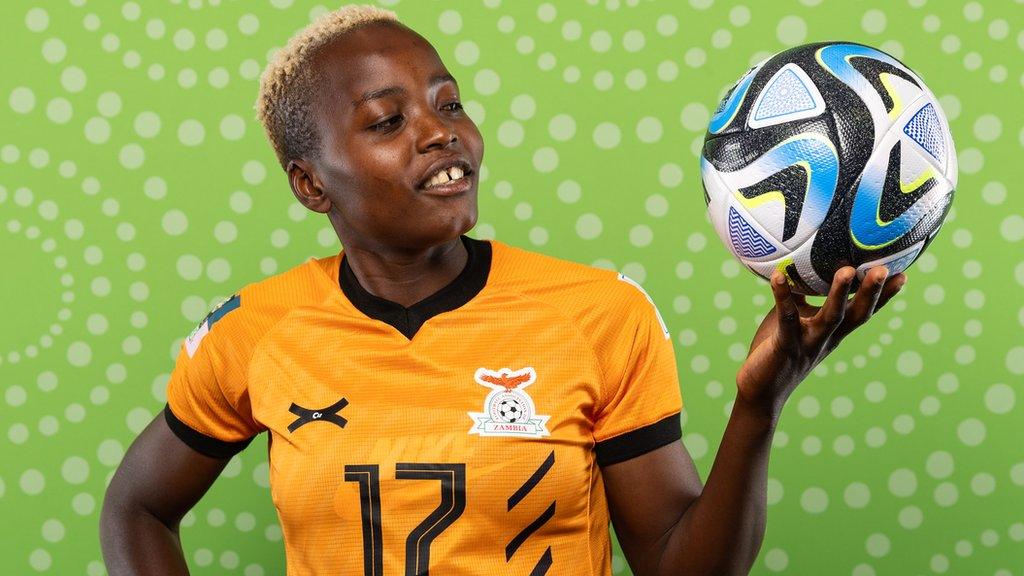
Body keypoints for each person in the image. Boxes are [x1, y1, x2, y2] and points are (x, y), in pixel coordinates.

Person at [99, 5, 906, 575]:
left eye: (449, 103)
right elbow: (135, 508)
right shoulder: (255, 330)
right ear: (313, 186)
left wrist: (759, 406)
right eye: (388, 121)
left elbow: (677, 562)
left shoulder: (599, 314)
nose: (440, 130)